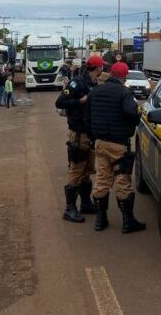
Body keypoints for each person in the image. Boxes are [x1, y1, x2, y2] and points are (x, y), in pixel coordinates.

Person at [85, 61, 144, 233]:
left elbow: (87, 118)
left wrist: (92, 137)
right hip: (119, 145)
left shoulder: (95, 91)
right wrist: (132, 124)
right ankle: (128, 222)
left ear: (110, 74)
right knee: (122, 181)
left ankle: (100, 220)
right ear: (124, 76)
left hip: (100, 143)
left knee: (102, 180)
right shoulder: (125, 92)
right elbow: (133, 112)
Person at [55, 55, 104, 223]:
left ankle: (85, 203)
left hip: (88, 135)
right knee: (76, 170)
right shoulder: (77, 82)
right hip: (78, 134)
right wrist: (80, 101)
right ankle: (69, 208)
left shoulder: (93, 83)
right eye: (101, 67)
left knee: (86, 170)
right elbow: (60, 102)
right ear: (98, 68)